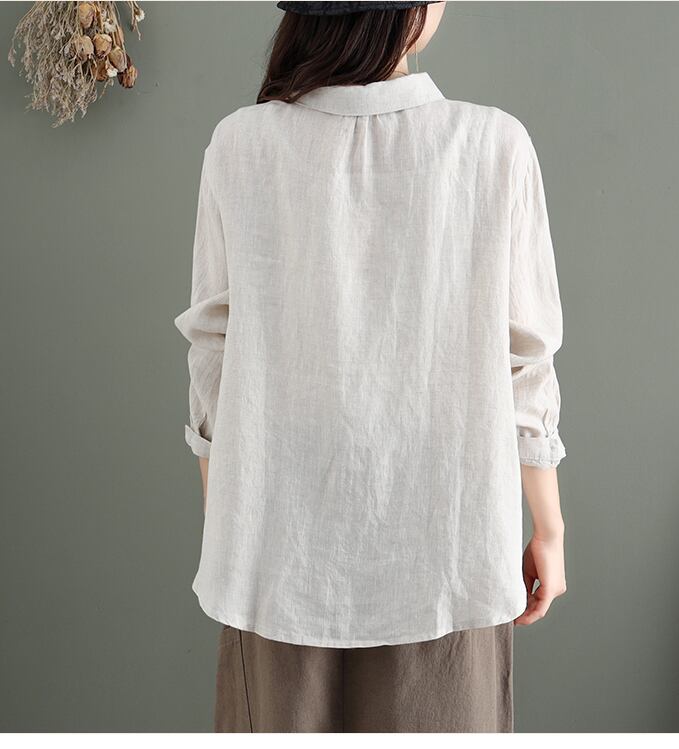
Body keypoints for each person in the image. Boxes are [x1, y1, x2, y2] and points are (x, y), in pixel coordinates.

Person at [174, 0, 567, 733]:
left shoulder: (241, 144)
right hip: (451, 551)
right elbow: (527, 358)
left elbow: (212, 357)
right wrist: (548, 525)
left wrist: (232, 518)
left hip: (275, 558)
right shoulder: (493, 145)